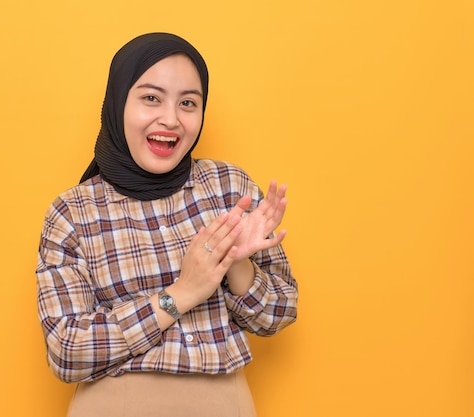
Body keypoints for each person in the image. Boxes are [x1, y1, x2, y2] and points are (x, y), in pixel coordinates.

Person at [35, 32, 298, 417]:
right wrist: (183, 292)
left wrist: (237, 263)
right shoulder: (73, 212)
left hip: (223, 404)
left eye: (188, 103)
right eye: (151, 98)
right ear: (118, 102)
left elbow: (280, 314)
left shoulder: (229, 189)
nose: (171, 119)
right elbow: (66, 350)